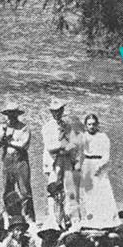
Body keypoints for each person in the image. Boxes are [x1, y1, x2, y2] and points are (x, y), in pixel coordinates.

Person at [41, 98, 81, 229]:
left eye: (59, 111)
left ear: (62, 111)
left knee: (70, 188)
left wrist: (74, 157)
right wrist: (64, 146)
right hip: (54, 161)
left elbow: (73, 143)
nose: (57, 113)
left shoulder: (67, 126)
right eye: (54, 111)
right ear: (51, 112)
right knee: (53, 189)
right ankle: (55, 219)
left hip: (66, 159)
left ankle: (73, 217)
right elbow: (49, 147)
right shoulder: (47, 127)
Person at [78, 114, 120, 228]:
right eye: (89, 124)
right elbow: (77, 151)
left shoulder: (103, 137)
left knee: (102, 191)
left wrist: (100, 166)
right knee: (88, 193)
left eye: (93, 124)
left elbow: (106, 155)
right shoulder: (83, 136)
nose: (91, 126)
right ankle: (91, 218)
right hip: (87, 164)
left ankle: (105, 218)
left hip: (100, 165)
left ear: (97, 125)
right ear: (85, 125)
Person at [0, 100, 34, 220]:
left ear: (17, 115)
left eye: (13, 114)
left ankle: (29, 218)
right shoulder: (3, 127)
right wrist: (3, 134)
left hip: (20, 159)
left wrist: (9, 142)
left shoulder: (24, 128)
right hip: (7, 159)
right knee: (7, 190)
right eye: (9, 114)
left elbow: (23, 145)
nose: (10, 116)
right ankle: (10, 218)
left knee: (25, 191)